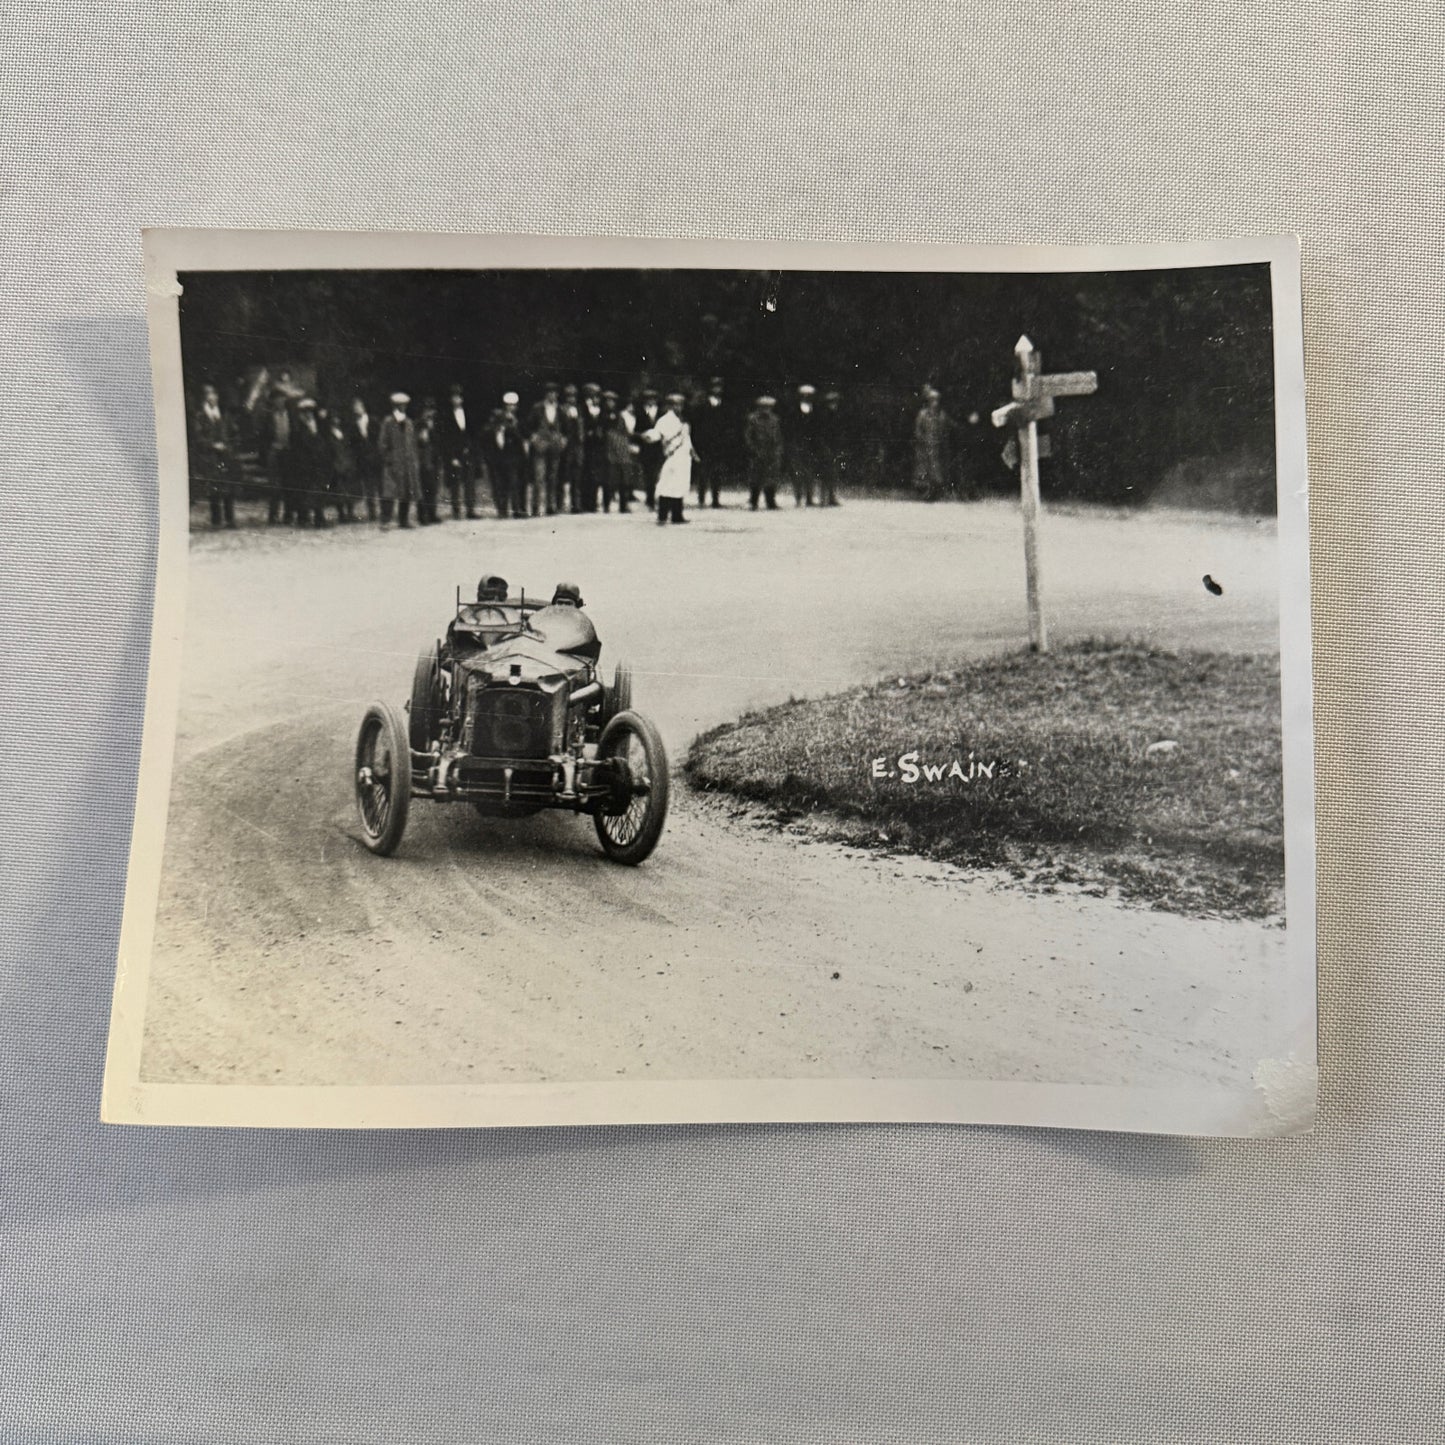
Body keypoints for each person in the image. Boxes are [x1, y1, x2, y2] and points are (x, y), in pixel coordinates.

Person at [641, 392, 696, 526]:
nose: (679, 407)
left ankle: (677, 515)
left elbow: (686, 438)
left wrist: (692, 452)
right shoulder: (665, 420)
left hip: (683, 457)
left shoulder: (682, 420)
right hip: (672, 456)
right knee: (666, 485)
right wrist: (648, 436)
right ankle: (662, 515)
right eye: (675, 405)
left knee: (680, 485)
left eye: (680, 405)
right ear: (670, 406)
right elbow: (657, 433)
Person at [190, 383, 236, 528]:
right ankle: (216, 520)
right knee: (214, 488)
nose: (212, 397)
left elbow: (233, 432)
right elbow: (198, 437)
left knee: (228, 487)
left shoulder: (223, 414)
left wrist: (228, 445)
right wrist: (212, 445)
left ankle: (230, 519)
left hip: (226, 455)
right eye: (209, 394)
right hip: (210, 456)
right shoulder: (200, 416)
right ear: (204, 398)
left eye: (214, 394)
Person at [523, 382, 567, 516]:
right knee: (539, 476)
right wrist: (533, 438)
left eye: (554, 393)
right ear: (546, 394)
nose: (552, 395)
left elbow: (567, 428)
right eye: (550, 393)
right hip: (540, 447)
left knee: (553, 476)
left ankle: (551, 506)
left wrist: (563, 439)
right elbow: (527, 426)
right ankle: (536, 506)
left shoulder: (560, 409)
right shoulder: (537, 408)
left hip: (555, 446)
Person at [378, 391, 420, 528]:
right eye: (400, 405)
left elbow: (412, 443)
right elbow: (382, 443)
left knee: (406, 491)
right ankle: (385, 520)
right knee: (389, 492)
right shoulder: (388, 422)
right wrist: (388, 459)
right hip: (393, 463)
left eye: (404, 405)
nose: (403, 407)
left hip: (407, 463)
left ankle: (403, 520)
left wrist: (413, 460)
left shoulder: (409, 422)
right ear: (395, 406)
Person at [481, 393, 527, 518]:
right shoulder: (496, 419)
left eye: (513, 405)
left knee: (514, 482)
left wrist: (511, 427)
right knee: (500, 483)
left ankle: (517, 509)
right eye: (509, 405)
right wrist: (499, 427)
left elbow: (521, 436)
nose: (511, 407)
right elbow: (487, 432)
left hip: (513, 455)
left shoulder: (517, 420)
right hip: (499, 456)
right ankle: (502, 510)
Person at [439, 382, 478, 519]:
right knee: (455, 482)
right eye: (454, 397)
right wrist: (452, 457)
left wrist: (470, 448)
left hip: (468, 452)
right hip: (454, 454)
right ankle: (456, 510)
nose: (457, 400)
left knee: (470, 482)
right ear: (451, 399)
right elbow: (445, 438)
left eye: (459, 397)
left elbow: (472, 434)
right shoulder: (446, 416)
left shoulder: (468, 413)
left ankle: (470, 510)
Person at [688, 377, 728, 508]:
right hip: (704, 444)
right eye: (715, 387)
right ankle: (701, 499)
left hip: (719, 444)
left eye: (719, 387)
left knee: (717, 473)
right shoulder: (702, 405)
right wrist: (697, 442)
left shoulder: (724, 405)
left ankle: (716, 500)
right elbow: (696, 425)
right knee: (703, 472)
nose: (717, 389)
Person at [290, 397, 329, 527]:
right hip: (304, 464)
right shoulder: (297, 427)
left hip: (317, 463)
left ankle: (319, 517)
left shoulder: (317, 425)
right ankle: (303, 517)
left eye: (310, 411)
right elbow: (298, 446)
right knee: (304, 491)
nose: (308, 414)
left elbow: (323, 441)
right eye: (305, 412)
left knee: (318, 490)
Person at [912, 385, 952, 502]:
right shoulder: (923, 414)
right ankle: (925, 492)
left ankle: (936, 492)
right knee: (924, 470)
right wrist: (923, 440)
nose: (935, 403)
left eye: (936, 400)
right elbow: (918, 430)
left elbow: (945, 431)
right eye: (932, 400)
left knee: (937, 470)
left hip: (938, 447)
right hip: (925, 446)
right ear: (929, 401)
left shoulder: (942, 415)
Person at [744, 395, 783, 510]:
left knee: (771, 477)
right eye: (764, 407)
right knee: (755, 477)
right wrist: (753, 449)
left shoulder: (775, 419)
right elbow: (748, 436)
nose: (767, 409)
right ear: (759, 407)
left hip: (771, 452)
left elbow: (778, 436)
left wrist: (778, 450)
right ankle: (753, 501)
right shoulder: (752, 419)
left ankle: (770, 502)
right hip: (757, 451)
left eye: (769, 407)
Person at [345, 396, 381, 521]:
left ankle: (385, 510)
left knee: (380, 485)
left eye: (358, 406)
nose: (356, 409)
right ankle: (372, 512)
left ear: (363, 407)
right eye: (354, 408)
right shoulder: (353, 425)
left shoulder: (374, 421)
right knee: (369, 485)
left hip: (376, 458)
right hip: (363, 460)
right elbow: (352, 444)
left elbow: (380, 439)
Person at [787, 383, 820, 506]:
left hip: (810, 445)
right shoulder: (793, 410)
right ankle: (798, 497)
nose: (807, 397)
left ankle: (809, 498)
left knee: (810, 472)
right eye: (804, 395)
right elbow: (790, 427)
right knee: (797, 472)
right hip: (796, 444)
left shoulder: (815, 410)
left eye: (809, 395)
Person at [600, 390, 633, 513]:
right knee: (608, 479)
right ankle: (606, 504)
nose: (610, 403)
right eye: (608, 401)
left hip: (620, 449)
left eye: (612, 401)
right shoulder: (601, 416)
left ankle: (623, 505)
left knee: (623, 477)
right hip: (607, 450)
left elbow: (624, 432)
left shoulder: (619, 416)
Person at [414, 396, 444, 525]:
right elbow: (417, 442)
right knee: (423, 487)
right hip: (422, 460)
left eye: (432, 410)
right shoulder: (418, 424)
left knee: (433, 487)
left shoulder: (437, 424)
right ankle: (422, 515)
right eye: (427, 410)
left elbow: (439, 441)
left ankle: (432, 513)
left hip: (434, 459)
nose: (430, 413)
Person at [326, 406, 358, 522]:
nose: (336, 421)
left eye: (337, 418)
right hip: (336, 464)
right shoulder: (328, 434)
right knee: (338, 490)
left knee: (349, 488)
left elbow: (349, 447)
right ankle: (341, 514)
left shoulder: (344, 432)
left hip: (347, 462)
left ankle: (350, 512)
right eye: (333, 419)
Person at [634, 387, 663, 510]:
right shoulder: (640, 413)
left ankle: (654, 497)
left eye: (653, 399)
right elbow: (636, 430)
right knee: (648, 474)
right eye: (648, 399)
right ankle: (649, 498)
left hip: (658, 448)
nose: (651, 401)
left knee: (656, 473)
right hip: (646, 448)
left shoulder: (661, 413)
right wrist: (642, 436)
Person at [816, 389, 845, 507]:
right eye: (832, 402)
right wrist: (823, 447)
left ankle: (832, 497)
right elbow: (820, 434)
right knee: (825, 473)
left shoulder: (837, 415)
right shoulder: (824, 415)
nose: (834, 404)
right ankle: (823, 498)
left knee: (834, 473)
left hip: (834, 447)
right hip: (825, 447)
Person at [560, 383, 585, 512]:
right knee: (563, 474)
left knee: (577, 475)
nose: (572, 399)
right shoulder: (561, 409)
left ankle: (576, 504)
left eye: (574, 396)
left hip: (577, 445)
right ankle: (561, 503)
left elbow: (581, 426)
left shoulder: (579, 409)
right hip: (566, 446)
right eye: (569, 396)